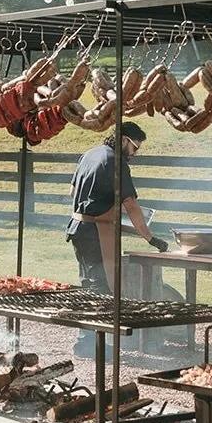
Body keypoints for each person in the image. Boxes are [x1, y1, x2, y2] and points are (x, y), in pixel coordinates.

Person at [66, 122, 167, 294]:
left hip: (77, 230)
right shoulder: (115, 162)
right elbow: (131, 205)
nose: (134, 154)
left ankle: (86, 317)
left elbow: (72, 191)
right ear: (123, 140)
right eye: (134, 148)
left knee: (87, 283)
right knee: (102, 286)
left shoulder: (89, 154)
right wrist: (150, 238)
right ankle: (99, 319)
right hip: (95, 233)